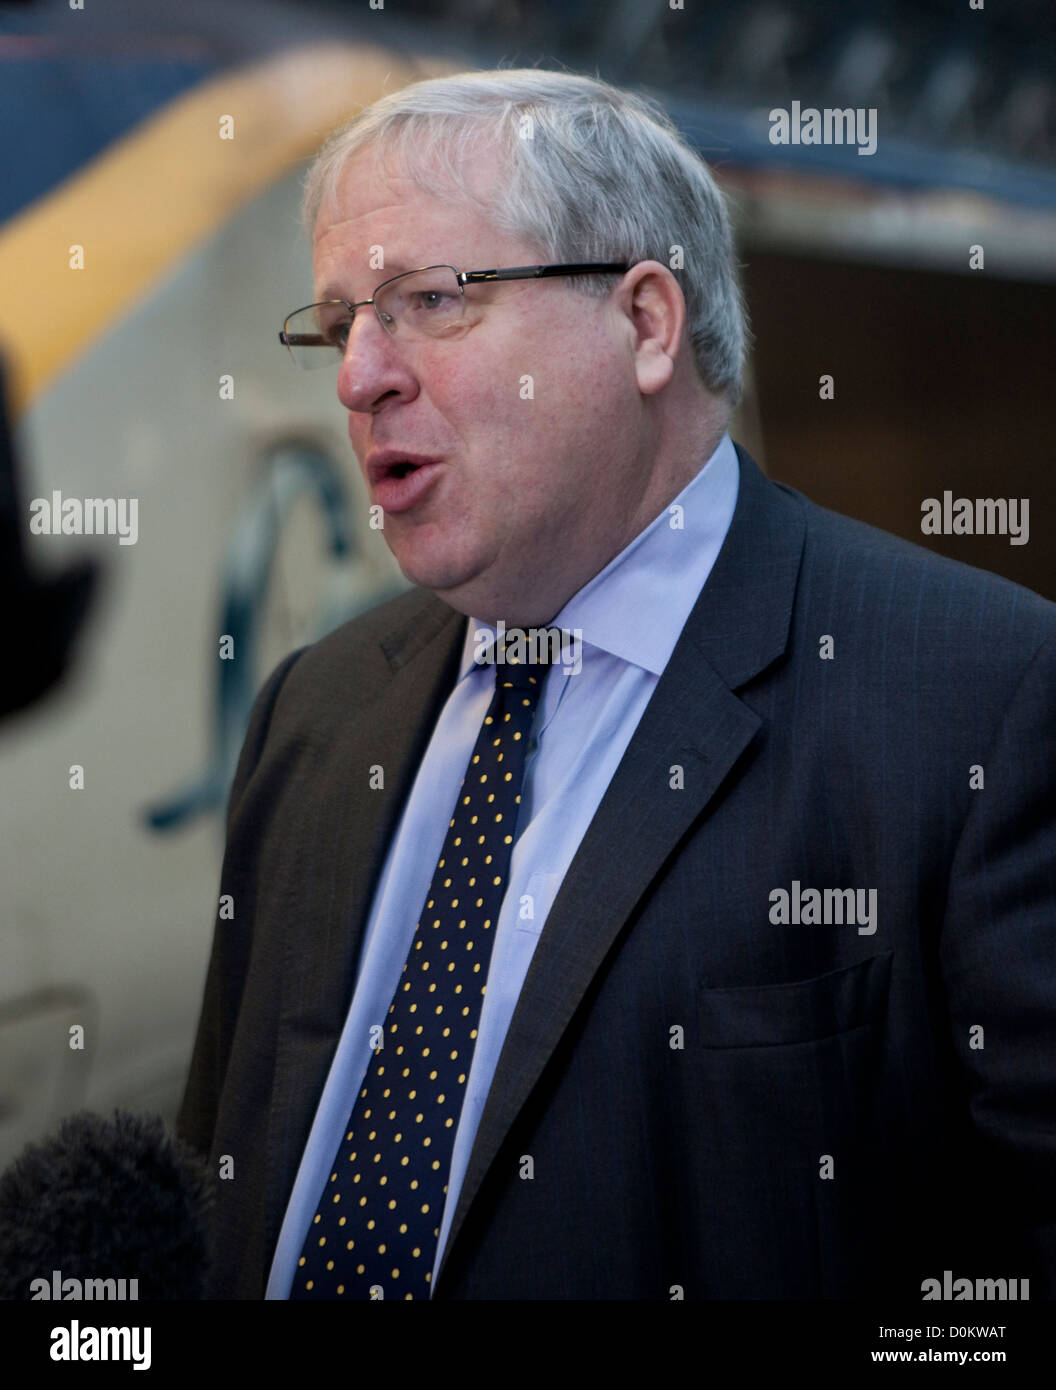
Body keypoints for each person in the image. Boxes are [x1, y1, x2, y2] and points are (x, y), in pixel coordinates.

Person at [177, 68, 1056, 1301]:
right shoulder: (312, 714)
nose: (356, 376)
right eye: (338, 323)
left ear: (646, 322)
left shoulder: (980, 695)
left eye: (429, 300)